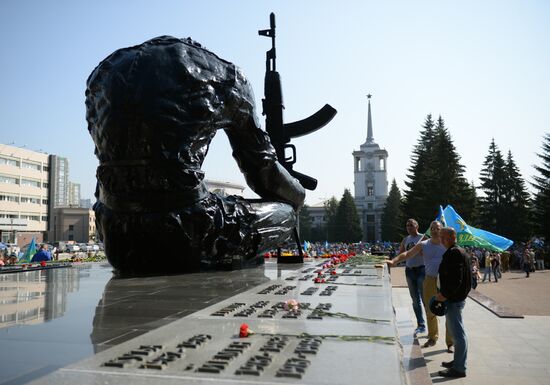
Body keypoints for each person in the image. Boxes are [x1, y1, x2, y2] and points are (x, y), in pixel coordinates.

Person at [86, 36, 306, 274]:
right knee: (285, 213)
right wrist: (298, 195)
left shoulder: (103, 72)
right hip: (190, 234)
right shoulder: (228, 76)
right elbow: (264, 175)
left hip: (115, 235)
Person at [388, 221, 452, 350]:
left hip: (445, 281)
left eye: (437, 228)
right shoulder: (423, 245)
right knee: (430, 310)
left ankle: (450, 343)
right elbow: (407, 254)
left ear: (441, 230)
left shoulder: (447, 245)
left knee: (449, 311)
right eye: (432, 228)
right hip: (429, 280)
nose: (434, 230)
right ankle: (432, 337)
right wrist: (394, 261)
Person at [436, 227, 471, 378]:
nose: (441, 240)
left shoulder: (455, 252)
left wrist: (444, 294)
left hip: (453, 299)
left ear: (451, 237)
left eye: (443, 237)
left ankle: (459, 368)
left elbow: (456, 279)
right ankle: (457, 361)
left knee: (458, 334)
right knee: (456, 332)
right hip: (455, 298)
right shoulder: (456, 250)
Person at [398, 218, 426, 335]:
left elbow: (428, 253)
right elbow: (401, 254)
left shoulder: (424, 238)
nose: (409, 227)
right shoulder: (405, 240)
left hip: (421, 270)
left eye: (411, 225)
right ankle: (421, 325)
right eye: (407, 225)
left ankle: (431, 322)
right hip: (409, 270)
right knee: (415, 300)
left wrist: (419, 251)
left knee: (425, 299)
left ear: (417, 226)